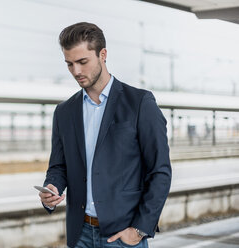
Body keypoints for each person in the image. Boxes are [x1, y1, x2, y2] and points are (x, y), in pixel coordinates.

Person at [38, 22, 172, 248]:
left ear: (103, 54)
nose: (76, 71)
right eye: (69, 64)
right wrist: (52, 187)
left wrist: (139, 230)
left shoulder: (140, 103)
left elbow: (160, 171)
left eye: (82, 62)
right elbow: (59, 167)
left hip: (122, 236)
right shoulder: (64, 112)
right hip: (79, 234)